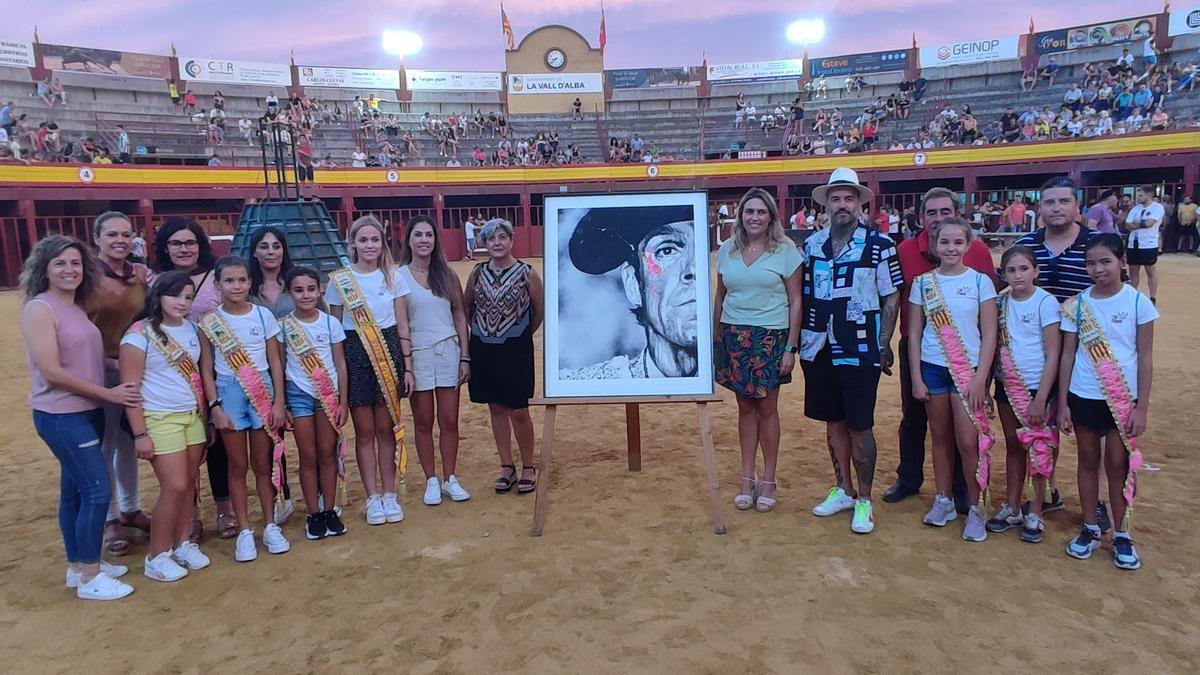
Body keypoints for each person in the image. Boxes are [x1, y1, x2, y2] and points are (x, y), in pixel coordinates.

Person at [22, 235, 138, 600]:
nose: (69, 270)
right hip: (61, 412)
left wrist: (126, 364)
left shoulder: (75, 305)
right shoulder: (40, 309)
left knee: (72, 492)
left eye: (74, 263)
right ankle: (90, 575)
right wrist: (109, 393)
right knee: (96, 490)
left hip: (84, 410)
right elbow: (52, 372)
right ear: (44, 269)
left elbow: (88, 358)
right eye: (60, 263)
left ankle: (78, 566)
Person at [801, 168, 903, 534]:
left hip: (861, 346)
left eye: (849, 198)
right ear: (825, 204)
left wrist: (884, 341)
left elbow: (891, 297)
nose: (842, 205)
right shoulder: (812, 245)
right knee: (833, 422)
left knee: (861, 426)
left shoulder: (880, 245)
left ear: (860, 204)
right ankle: (842, 488)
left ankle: (864, 499)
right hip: (819, 345)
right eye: (835, 198)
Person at [885, 188, 995, 509]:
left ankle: (961, 489)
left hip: (966, 354)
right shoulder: (904, 250)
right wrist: (887, 341)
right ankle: (909, 478)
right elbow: (893, 298)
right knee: (914, 417)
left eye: (945, 212)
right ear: (921, 218)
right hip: (918, 349)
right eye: (931, 213)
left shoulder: (978, 253)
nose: (938, 219)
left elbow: (990, 311)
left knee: (964, 427)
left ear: (956, 214)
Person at [1059, 234, 1157, 570]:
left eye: (1105, 261)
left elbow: (1145, 356)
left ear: (1122, 262)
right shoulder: (1077, 305)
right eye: (1091, 263)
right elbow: (1067, 354)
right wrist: (1062, 403)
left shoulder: (1137, 303)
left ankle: (1123, 533)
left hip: (1121, 398)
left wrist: (1141, 406)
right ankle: (1089, 526)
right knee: (1087, 461)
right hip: (1084, 394)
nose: (1098, 269)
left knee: (1118, 466)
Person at [907, 218, 998, 542]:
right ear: (935, 245)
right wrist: (916, 377)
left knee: (968, 442)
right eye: (944, 242)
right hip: (932, 368)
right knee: (940, 438)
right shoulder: (922, 283)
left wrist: (980, 379)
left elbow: (990, 334)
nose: (950, 248)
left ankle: (975, 507)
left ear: (968, 244)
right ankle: (943, 498)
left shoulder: (980, 283)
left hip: (967, 371)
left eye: (958, 242)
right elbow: (915, 333)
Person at [713, 189, 803, 513]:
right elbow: (720, 297)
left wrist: (791, 347)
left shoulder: (786, 251)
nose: (754, 217)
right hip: (735, 336)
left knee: (767, 408)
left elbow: (796, 301)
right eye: (749, 211)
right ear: (741, 216)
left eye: (761, 212)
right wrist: (716, 341)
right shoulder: (727, 250)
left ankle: (769, 478)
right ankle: (746, 477)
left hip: (771, 338)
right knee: (745, 408)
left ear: (771, 217)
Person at [118, 271, 212, 580]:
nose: (182, 302)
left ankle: (182, 542)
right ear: (158, 296)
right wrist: (140, 433)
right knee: (175, 486)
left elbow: (200, 375)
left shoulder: (193, 331)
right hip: (159, 418)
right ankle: (157, 555)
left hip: (191, 417)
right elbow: (130, 390)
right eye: (175, 295)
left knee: (190, 486)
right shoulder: (138, 334)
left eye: (188, 296)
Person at [325, 216, 415, 526]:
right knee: (364, 430)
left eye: (374, 240)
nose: (369, 246)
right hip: (355, 352)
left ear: (383, 243)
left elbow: (402, 324)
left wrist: (408, 366)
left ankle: (389, 493)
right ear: (352, 243)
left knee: (386, 428)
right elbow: (334, 330)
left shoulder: (393, 277)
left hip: (388, 350)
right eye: (362, 240)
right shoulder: (340, 281)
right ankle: (372, 497)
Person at [199, 256, 289, 562]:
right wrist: (215, 407)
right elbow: (207, 367)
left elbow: (276, 360)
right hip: (228, 391)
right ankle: (245, 530)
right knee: (237, 467)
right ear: (217, 285)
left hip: (261, 388)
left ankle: (270, 524)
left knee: (263, 464)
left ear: (250, 283)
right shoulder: (210, 323)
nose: (236, 286)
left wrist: (279, 401)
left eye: (241, 280)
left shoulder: (263, 316)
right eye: (229, 281)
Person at [152, 217, 237, 539]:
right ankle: (190, 514)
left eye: (189, 242)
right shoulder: (152, 278)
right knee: (183, 447)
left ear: (200, 245)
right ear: (165, 247)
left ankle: (223, 509)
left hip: (217, 370)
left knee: (217, 445)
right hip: (170, 378)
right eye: (176, 243)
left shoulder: (216, 279)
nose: (183, 249)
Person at [561, 206, 700, 379]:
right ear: (633, 283)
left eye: (699, 249)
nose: (692, 269)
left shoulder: (722, 369)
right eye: (667, 251)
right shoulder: (588, 381)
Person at [986, 246, 1062, 543]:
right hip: (1007, 385)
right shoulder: (999, 304)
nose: (1017, 275)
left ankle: (1036, 510)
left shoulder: (1046, 302)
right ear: (1003, 274)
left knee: (1039, 448)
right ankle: (1013, 506)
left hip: (1037, 386)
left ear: (1036, 271)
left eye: (1023, 269)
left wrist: (1042, 396)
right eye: (1011, 270)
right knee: (1014, 446)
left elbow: (1054, 351)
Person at [464, 219, 544, 495]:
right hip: (484, 348)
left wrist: (516, 333)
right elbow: (467, 307)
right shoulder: (477, 273)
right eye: (490, 239)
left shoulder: (527, 273)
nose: (496, 243)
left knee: (519, 409)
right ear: (484, 244)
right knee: (495, 407)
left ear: (511, 240)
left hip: (515, 349)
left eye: (502, 237)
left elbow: (538, 311)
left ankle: (528, 466)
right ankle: (506, 465)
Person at [89, 212, 152, 556]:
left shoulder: (139, 275)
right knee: (106, 444)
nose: (120, 241)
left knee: (129, 440)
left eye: (126, 235)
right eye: (112, 234)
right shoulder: (87, 278)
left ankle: (130, 507)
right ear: (97, 237)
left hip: (135, 369)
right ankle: (111, 517)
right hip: (100, 370)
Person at [399, 216, 472, 506]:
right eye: (418, 235)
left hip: (448, 351)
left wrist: (465, 355)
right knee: (423, 420)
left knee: (450, 419)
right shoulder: (399, 276)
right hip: (417, 353)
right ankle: (431, 478)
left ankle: (449, 477)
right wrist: (406, 363)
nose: (424, 240)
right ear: (409, 240)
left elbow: (459, 315)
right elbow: (401, 322)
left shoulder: (448, 275)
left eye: (429, 235)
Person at [280, 267, 349, 541]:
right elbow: (281, 365)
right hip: (298, 395)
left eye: (310, 289)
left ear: (320, 289)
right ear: (289, 292)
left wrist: (343, 400)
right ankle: (313, 513)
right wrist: (282, 403)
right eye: (298, 290)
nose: (305, 295)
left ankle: (329, 509)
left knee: (328, 453)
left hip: (328, 395)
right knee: (307, 456)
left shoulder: (331, 323)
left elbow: (340, 363)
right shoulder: (284, 326)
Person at [247, 225, 300, 521]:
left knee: (311, 436)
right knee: (270, 439)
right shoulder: (245, 287)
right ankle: (282, 494)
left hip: (302, 368)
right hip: (261, 374)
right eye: (264, 246)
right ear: (254, 251)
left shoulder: (295, 283)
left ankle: (319, 491)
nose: (270, 252)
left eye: (276, 246)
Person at [1124, 185, 1163, 304]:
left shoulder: (1157, 207)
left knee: (1150, 270)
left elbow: (1150, 223)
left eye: (1141, 195)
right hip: (1133, 244)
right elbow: (1127, 225)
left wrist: (1137, 224)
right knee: (1133, 271)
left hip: (1148, 244)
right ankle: (1133, 296)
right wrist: (1141, 223)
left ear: (1149, 195)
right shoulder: (1135, 209)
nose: (1138, 198)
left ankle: (1152, 297)